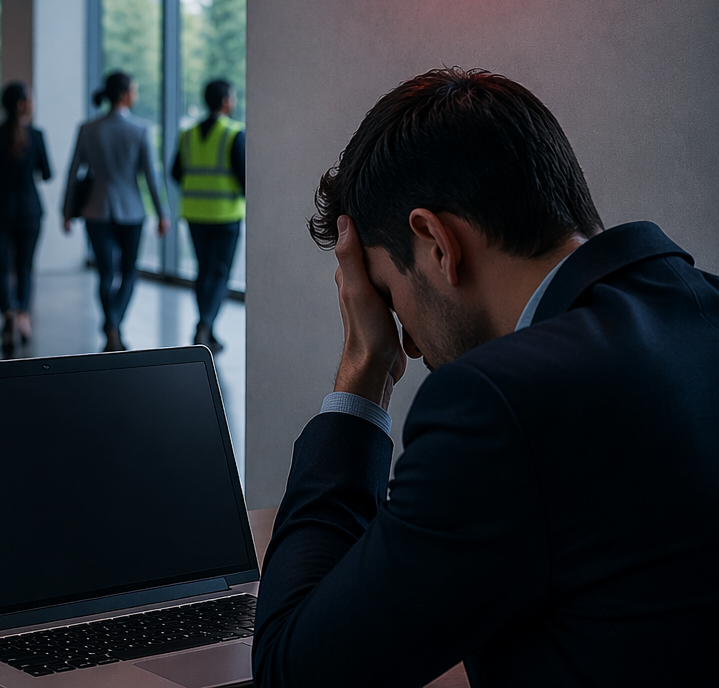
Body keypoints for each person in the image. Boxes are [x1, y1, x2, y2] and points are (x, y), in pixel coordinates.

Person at [253, 68, 719, 687]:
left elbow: (294, 672)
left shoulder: (502, 407)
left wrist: (361, 379)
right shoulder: (701, 310)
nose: (408, 344)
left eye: (391, 298)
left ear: (435, 242)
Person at [61, 70, 167, 351]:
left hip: (96, 209)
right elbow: (151, 177)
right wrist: (162, 212)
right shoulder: (141, 130)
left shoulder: (88, 128)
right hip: (132, 210)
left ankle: (111, 323)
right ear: (124, 94)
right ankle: (115, 322)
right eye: (134, 89)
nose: (136, 94)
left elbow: (73, 172)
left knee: (106, 273)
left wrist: (67, 210)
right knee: (129, 272)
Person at [0, 82, 52, 353]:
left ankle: (7, 316)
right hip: (29, 210)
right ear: (24, 104)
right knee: (25, 267)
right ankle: (24, 317)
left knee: (2, 268)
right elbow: (47, 173)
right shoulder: (37, 136)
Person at [170, 79, 245, 350]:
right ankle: (205, 325)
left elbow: (175, 172)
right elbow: (244, 175)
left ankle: (206, 327)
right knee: (219, 272)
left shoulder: (187, 134)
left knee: (204, 271)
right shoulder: (234, 132)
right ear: (226, 101)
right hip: (225, 214)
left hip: (194, 213)